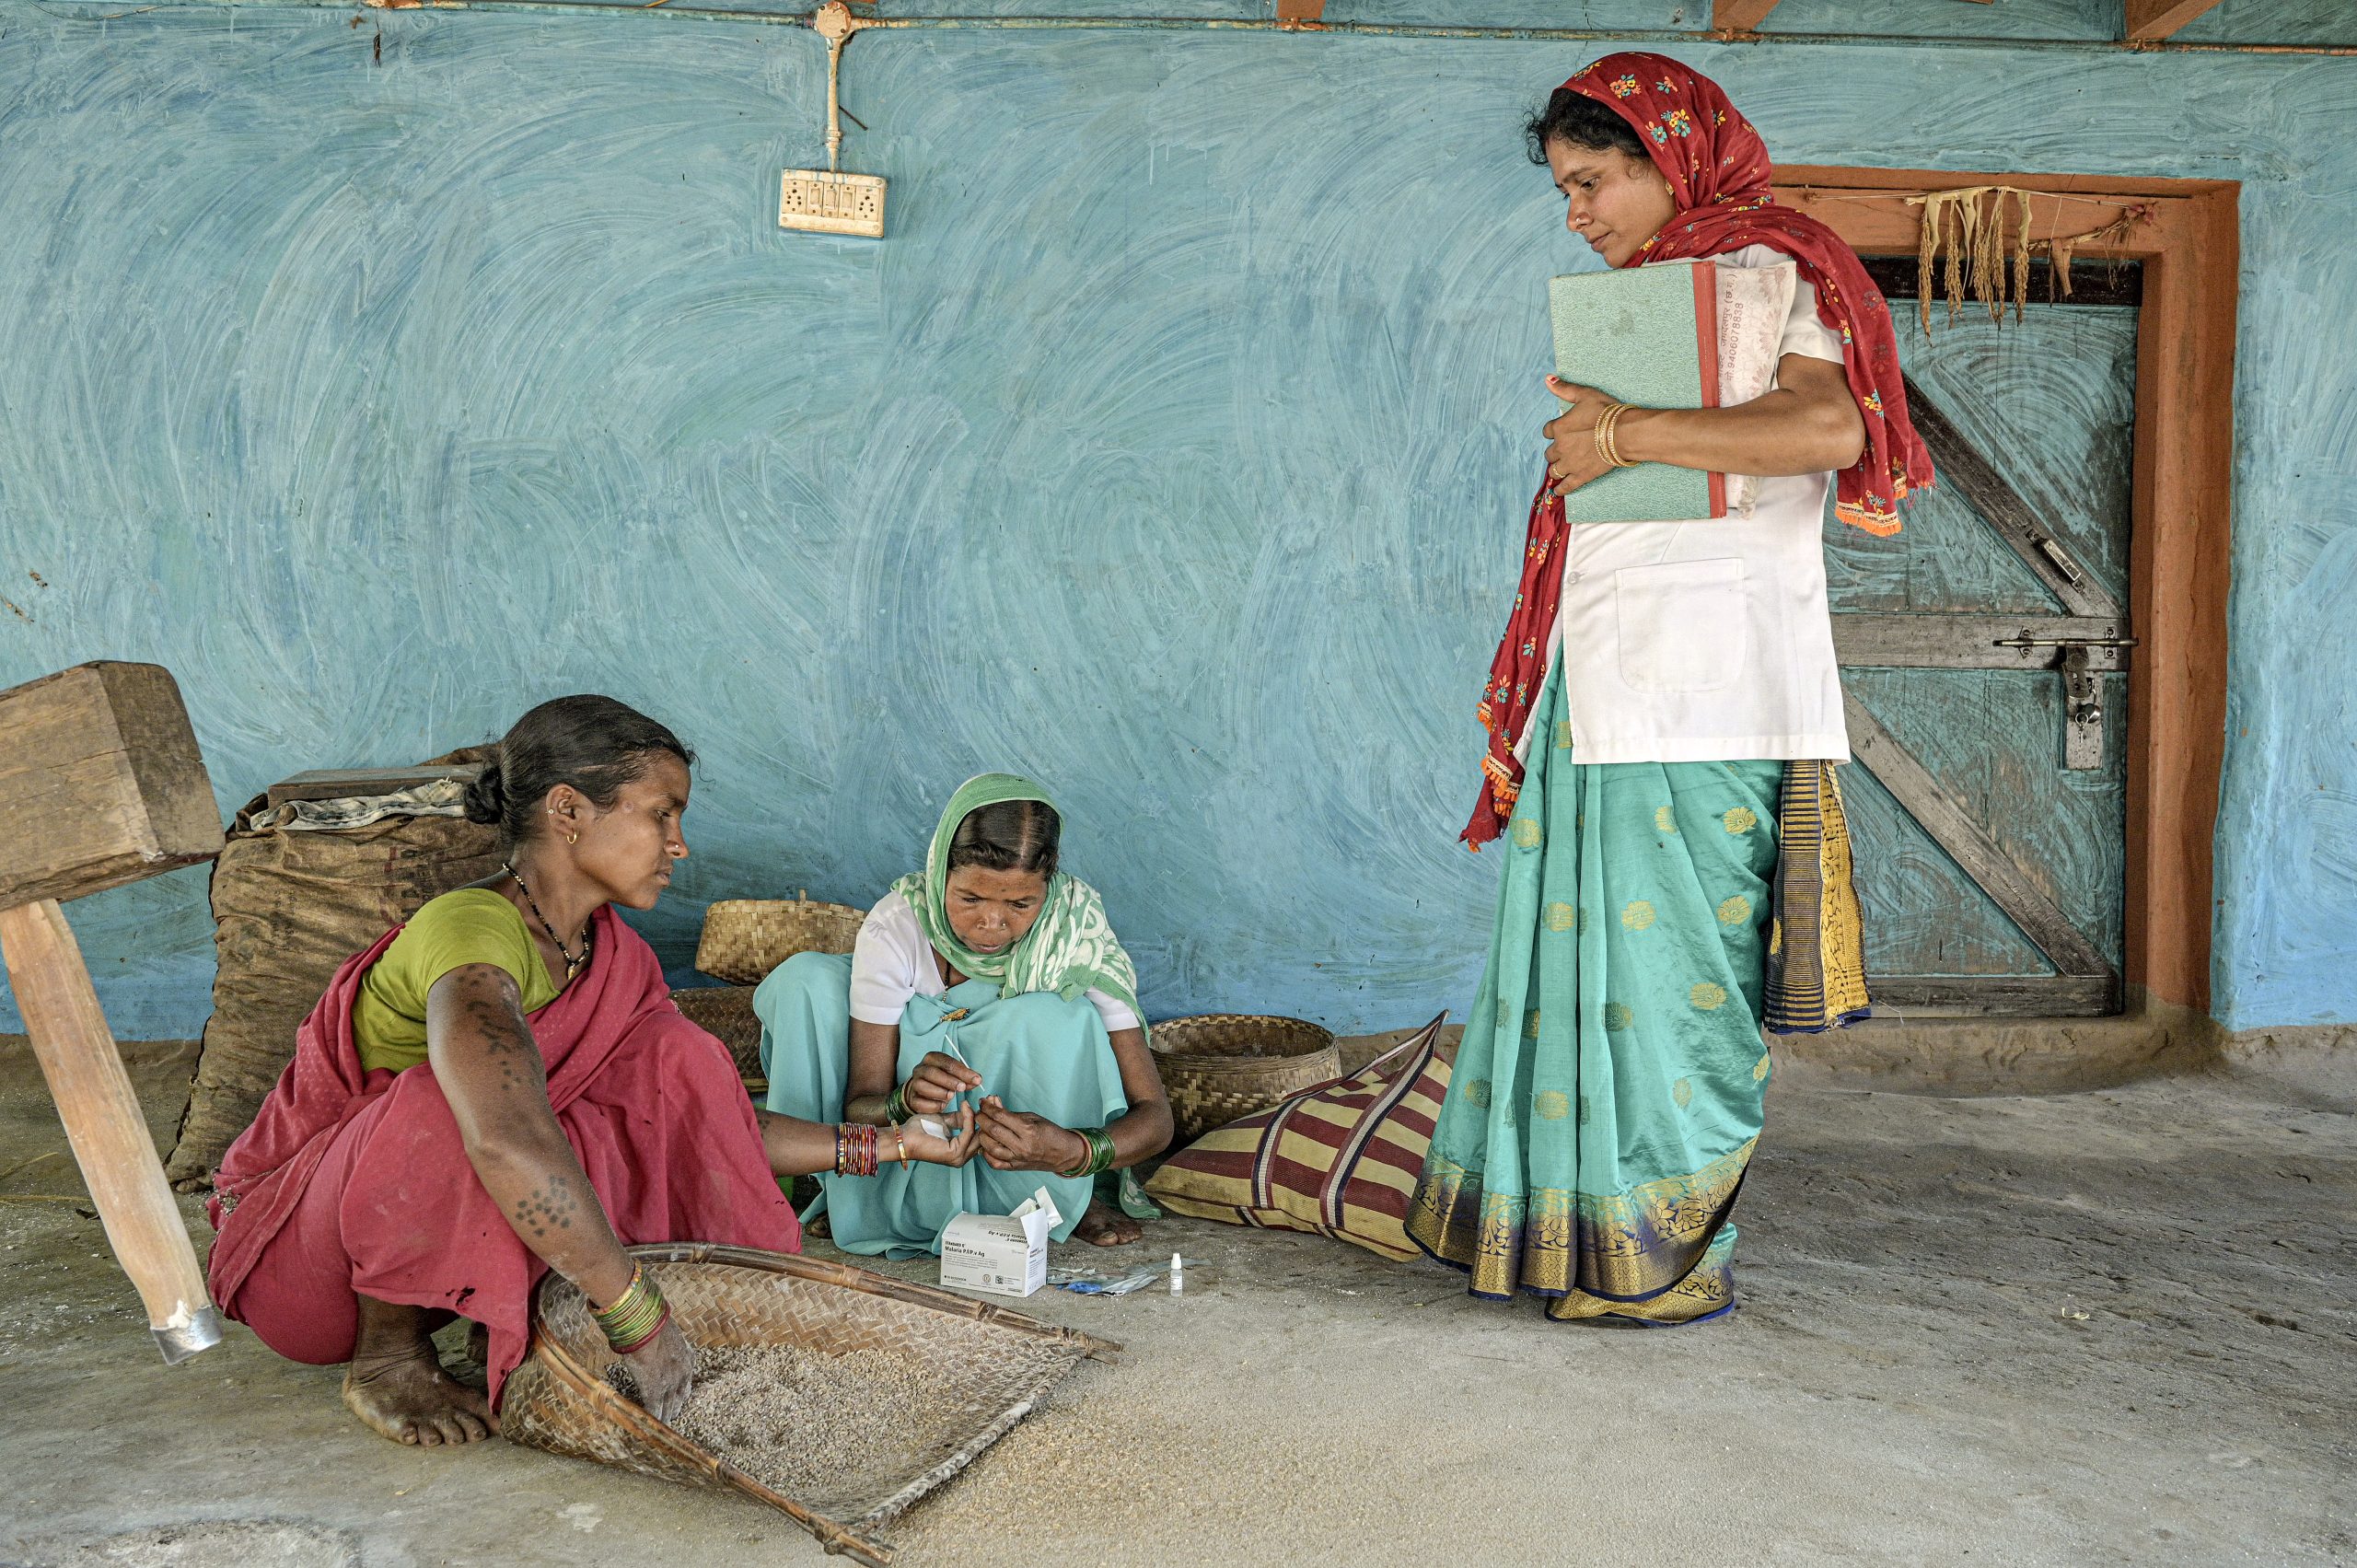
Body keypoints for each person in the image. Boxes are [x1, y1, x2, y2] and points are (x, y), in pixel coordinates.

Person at [1407, 54, 1931, 1326]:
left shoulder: (1782, 267)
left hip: (1714, 686)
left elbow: (1828, 432)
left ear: (1669, 155)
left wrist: (1624, 434)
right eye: (1564, 190)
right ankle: (1566, 1240)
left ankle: (1665, 1251)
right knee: (1578, 972)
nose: (1576, 213)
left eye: (1593, 181)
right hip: (1614, 673)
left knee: (1674, 983)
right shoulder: (1660, 299)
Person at [206, 695, 973, 1447]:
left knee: (677, 1060)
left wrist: (897, 1144)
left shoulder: (614, 959)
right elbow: (503, 1140)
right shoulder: (469, 933)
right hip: (312, 1266)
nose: (679, 844)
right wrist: (640, 1320)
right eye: (660, 814)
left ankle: (516, 1318)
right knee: (459, 1104)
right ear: (568, 810)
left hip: (438, 1254)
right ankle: (389, 1359)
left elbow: (707, 1123)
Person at [757, 773, 1173, 1252]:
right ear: (940, 874)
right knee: (806, 980)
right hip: (907, 1141)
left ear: (1048, 888)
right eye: (969, 898)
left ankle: (1059, 1200)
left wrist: (1075, 1151)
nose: (990, 925)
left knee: (1062, 1017)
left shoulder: (1075, 933)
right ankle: (849, 1189)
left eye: (1020, 903)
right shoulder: (899, 923)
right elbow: (862, 1104)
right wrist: (906, 1100)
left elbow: (1156, 1118)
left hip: (1036, 1162)